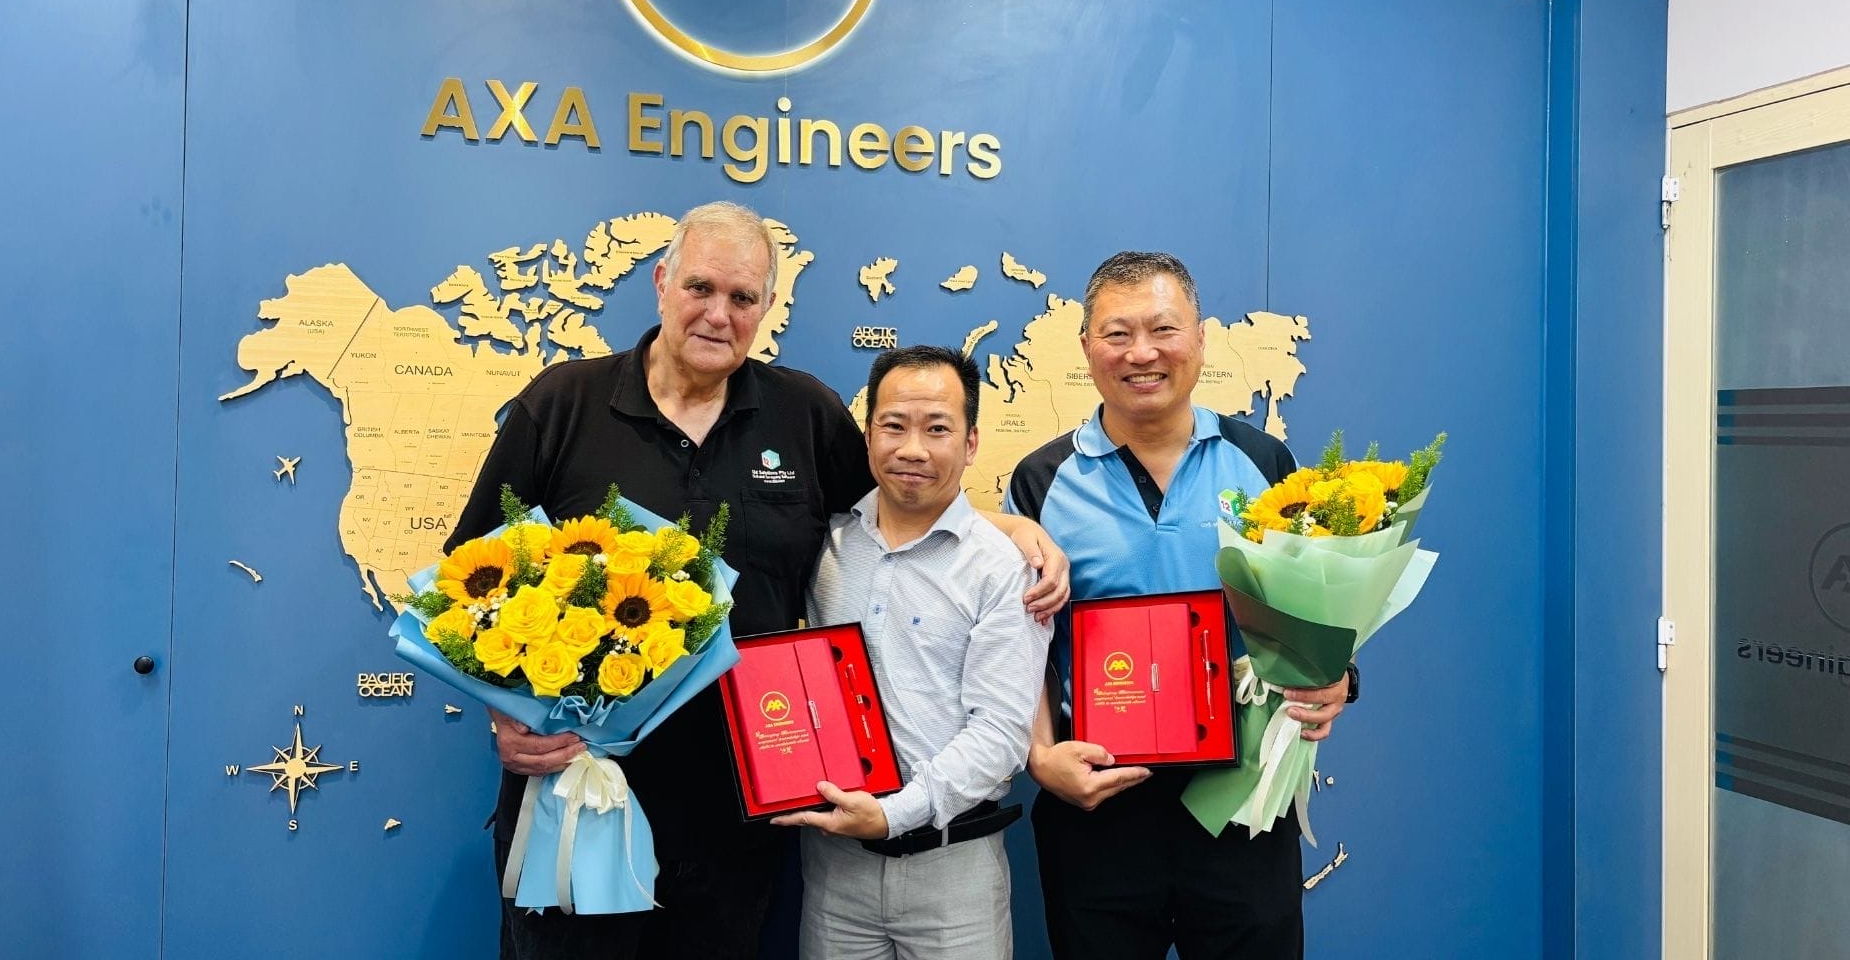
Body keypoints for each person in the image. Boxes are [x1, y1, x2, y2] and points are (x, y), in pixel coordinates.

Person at [445, 202, 1070, 959]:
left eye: (743, 298)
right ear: (661, 281)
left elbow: (900, 502)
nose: (718, 314)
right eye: (700, 288)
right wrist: (503, 715)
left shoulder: (802, 414)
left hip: (742, 814)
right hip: (582, 799)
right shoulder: (564, 404)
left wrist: (1008, 529)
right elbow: (467, 584)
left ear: (767, 308)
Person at [1005, 251, 1355, 960]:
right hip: (1098, 803)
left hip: (1243, 802)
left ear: (1200, 339)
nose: (1142, 353)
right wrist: (1041, 758)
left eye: (1163, 329)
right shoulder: (1041, 479)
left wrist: (1338, 677)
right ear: (1084, 348)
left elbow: (1314, 601)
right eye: (1117, 333)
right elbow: (1016, 643)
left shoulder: (1264, 461)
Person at [775, 346, 1052, 960]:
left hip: (955, 876)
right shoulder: (827, 542)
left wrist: (895, 813)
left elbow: (1002, 733)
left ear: (972, 442)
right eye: (894, 425)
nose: (913, 450)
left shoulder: (1003, 568)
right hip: (833, 869)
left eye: (938, 429)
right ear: (869, 431)